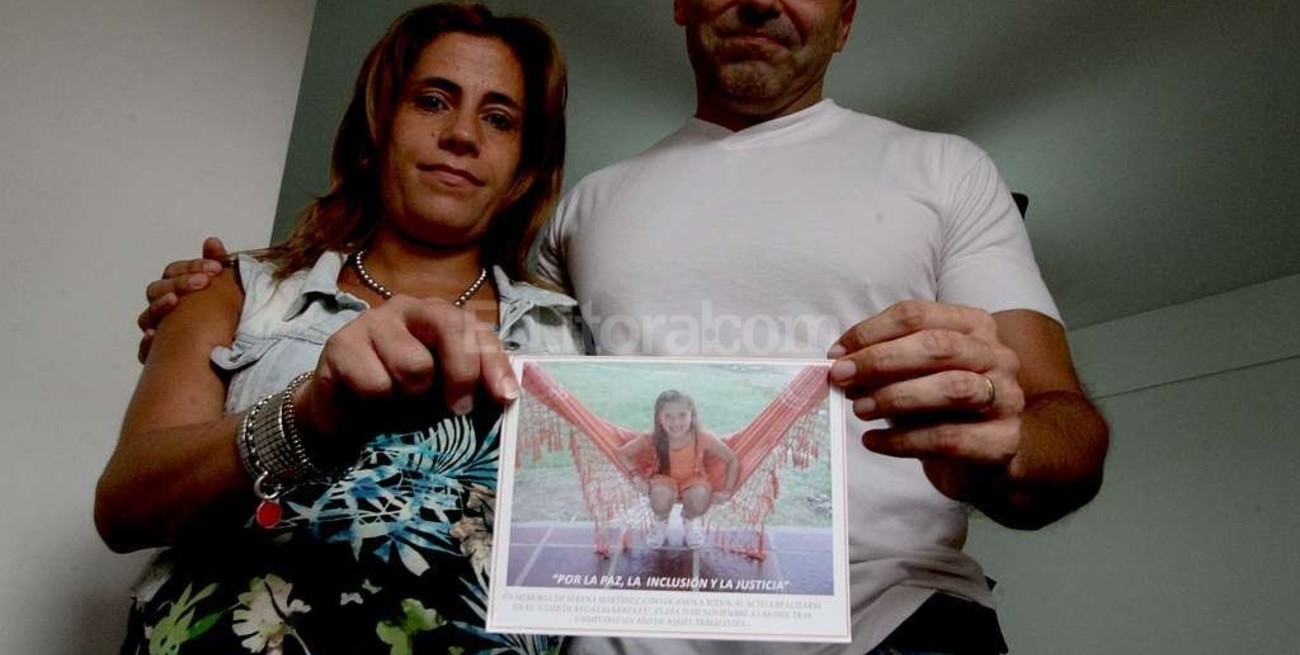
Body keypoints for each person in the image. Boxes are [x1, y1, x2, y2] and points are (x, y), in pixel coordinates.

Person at [139, 1, 1110, 653]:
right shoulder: (583, 216)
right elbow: (472, 325)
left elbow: (1063, 427)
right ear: (682, 2)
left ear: (848, 14)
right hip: (616, 635)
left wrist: (1007, 446)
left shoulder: (946, 171)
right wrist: (231, 295)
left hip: (892, 619)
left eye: (499, 117)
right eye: (433, 102)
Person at [95, 4, 583, 653]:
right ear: (378, 127)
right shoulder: (236, 290)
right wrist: (305, 417)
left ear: (525, 165)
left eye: (499, 118)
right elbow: (125, 507)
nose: (463, 134)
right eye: (433, 101)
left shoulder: (572, 335)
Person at [619, 390, 739, 549]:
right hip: (662, 480)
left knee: (700, 498)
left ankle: (689, 519)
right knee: (660, 496)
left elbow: (732, 459)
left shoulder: (702, 437)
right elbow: (622, 454)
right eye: (668, 416)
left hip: (694, 480)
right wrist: (636, 476)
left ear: (692, 415)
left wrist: (727, 490)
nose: (675, 422)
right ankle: (661, 521)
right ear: (659, 418)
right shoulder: (652, 438)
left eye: (682, 415)